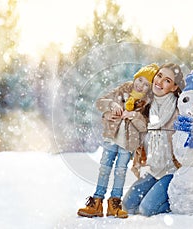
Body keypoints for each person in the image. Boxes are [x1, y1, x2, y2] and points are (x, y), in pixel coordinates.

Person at [77, 63, 159, 218]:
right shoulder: (124, 89)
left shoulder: (147, 103)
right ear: (136, 77)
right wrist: (111, 105)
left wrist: (134, 116)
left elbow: (144, 127)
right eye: (140, 80)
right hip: (111, 137)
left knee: (120, 171)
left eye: (147, 84)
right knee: (104, 167)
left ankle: (115, 202)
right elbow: (100, 102)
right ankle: (97, 201)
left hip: (128, 143)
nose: (141, 85)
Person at [122, 62, 186, 217]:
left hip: (172, 171)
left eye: (167, 80)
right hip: (154, 169)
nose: (159, 81)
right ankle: (156, 190)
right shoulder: (147, 105)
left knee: (147, 209)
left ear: (174, 87)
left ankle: (179, 201)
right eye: (159, 76)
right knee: (127, 205)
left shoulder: (179, 110)